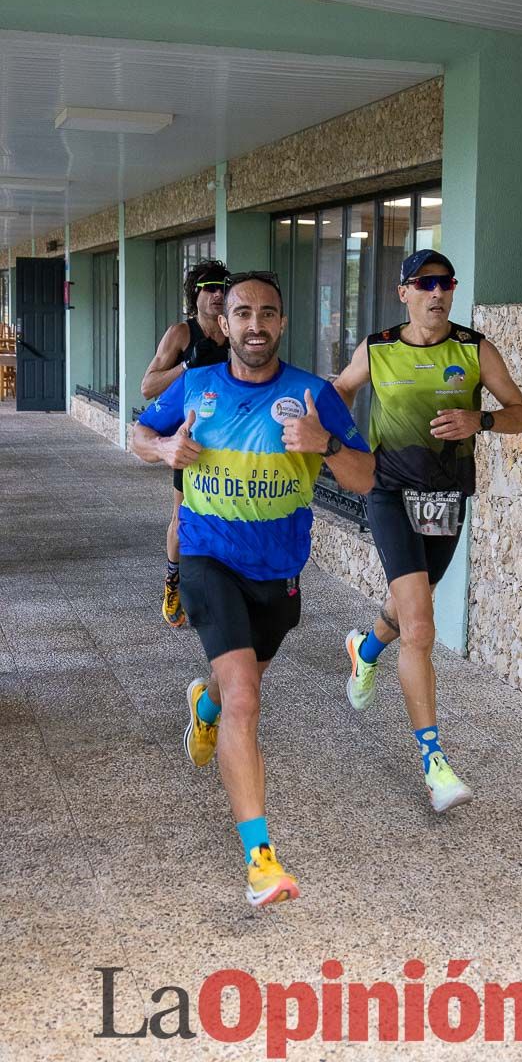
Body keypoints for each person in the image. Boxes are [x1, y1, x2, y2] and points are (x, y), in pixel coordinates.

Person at [133, 272, 374, 906]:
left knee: (241, 682)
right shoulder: (196, 384)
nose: (255, 324)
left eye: (268, 312)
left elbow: (366, 478)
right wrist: (163, 451)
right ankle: (262, 859)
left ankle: (202, 706)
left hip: (277, 575)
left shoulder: (315, 395)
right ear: (226, 323)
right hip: (208, 558)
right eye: (243, 312)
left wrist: (324, 447)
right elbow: (138, 434)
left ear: (283, 322)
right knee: (246, 699)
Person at [334, 249, 522, 813]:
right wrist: (340, 440)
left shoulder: (473, 349)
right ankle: (434, 764)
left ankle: (364, 647)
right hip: (390, 492)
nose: (437, 294)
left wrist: (482, 419)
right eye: (425, 284)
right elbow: (341, 389)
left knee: (407, 610)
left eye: (445, 284)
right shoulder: (378, 348)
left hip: (446, 498)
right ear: (404, 293)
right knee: (420, 624)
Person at [141, 261, 230, 628]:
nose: (218, 294)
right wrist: (184, 368)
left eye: (224, 287)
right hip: (190, 442)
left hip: (231, 441)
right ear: (195, 294)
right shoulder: (181, 333)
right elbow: (147, 386)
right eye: (210, 287)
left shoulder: (234, 330)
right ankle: (172, 580)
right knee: (183, 516)